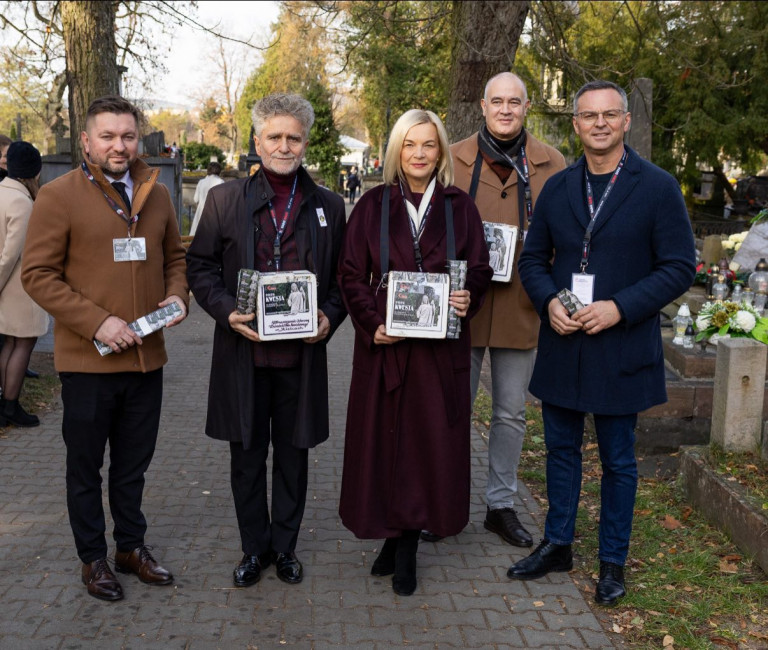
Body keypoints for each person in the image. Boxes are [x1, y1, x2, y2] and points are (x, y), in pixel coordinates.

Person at [511, 80, 696, 605]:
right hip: (565, 345)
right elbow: (532, 259)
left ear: (625, 121)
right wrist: (548, 300)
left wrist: (621, 307)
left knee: (618, 461)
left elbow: (680, 266)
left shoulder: (657, 187)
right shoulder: (559, 188)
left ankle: (612, 561)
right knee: (561, 452)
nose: (599, 123)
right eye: (588, 115)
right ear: (575, 124)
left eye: (609, 115)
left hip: (622, 348)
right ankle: (558, 543)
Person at [21, 95, 189, 602]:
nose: (120, 145)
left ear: (139, 139)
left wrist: (178, 296)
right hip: (89, 362)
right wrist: (99, 322)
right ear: (88, 141)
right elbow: (37, 275)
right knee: (85, 466)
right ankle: (92, 558)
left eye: (128, 136)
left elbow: (175, 257)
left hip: (146, 359)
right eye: (109, 136)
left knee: (133, 465)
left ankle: (130, 548)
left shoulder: (154, 192)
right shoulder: (58, 195)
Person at [186, 93, 347, 588]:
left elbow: (344, 279)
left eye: (293, 137)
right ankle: (253, 549)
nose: (283, 145)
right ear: (257, 142)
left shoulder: (328, 206)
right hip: (244, 352)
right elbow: (200, 267)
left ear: (305, 143)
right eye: (274, 136)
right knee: (248, 454)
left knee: (294, 455)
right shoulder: (224, 200)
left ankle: (286, 548)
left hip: (301, 355)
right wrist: (224, 312)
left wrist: (330, 318)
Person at [337, 108, 493, 596]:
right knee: (383, 442)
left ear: (441, 151)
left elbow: (480, 268)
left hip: (439, 351)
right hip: (387, 345)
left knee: (427, 446)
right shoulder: (373, 204)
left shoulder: (459, 206)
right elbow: (348, 274)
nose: (419, 154)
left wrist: (470, 296)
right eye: (410, 144)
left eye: (428, 145)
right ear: (396, 150)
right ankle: (391, 534)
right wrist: (372, 323)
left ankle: (406, 546)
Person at [440, 71, 565, 548]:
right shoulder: (452, 158)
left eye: (515, 101)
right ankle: (444, 500)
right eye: (498, 101)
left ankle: (501, 505)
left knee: (511, 413)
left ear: (527, 106)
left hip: (520, 305)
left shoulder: (552, 163)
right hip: (461, 305)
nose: (506, 109)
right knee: (454, 408)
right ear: (483, 105)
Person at [0, 141, 48, 427]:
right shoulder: (21, 201)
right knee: (23, 344)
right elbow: (10, 254)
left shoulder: (2, 191)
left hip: (9, 286)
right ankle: (9, 407)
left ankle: (5, 403)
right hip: (19, 285)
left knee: (9, 343)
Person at [189, 161, 225, 236]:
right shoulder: (221, 182)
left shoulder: (201, 182)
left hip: (201, 212)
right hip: (214, 214)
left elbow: (195, 199)